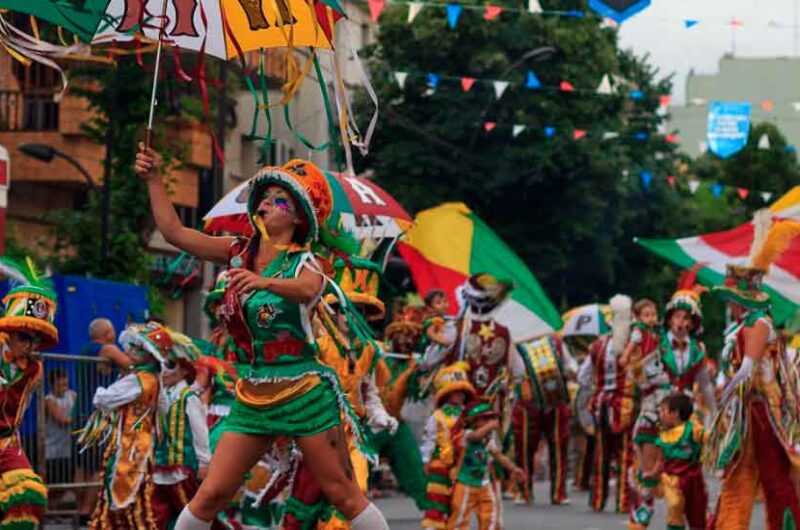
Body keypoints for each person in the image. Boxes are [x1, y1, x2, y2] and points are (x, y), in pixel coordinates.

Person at [135, 148, 389, 530]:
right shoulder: (238, 252)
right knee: (211, 495)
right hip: (253, 393)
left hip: (304, 389)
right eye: (265, 197)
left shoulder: (310, 259)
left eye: (280, 199)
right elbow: (175, 233)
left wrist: (263, 281)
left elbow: (307, 290)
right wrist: (155, 178)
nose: (268, 204)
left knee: (341, 492)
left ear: (300, 216)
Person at [705, 211, 800, 529]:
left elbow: (746, 371)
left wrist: (723, 397)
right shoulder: (744, 326)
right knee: (739, 477)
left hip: (760, 412)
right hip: (748, 411)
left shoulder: (758, 324)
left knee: (773, 476)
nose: (729, 304)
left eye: (732, 298)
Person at [303, 256, 397, 529]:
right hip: (320, 429)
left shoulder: (368, 349)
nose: (349, 318)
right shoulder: (320, 344)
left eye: (358, 313)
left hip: (353, 433)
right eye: (345, 311)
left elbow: (369, 392)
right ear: (336, 313)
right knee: (317, 498)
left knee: (358, 485)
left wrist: (380, 416)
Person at [81, 323, 175, 529]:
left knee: (121, 489)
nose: (130, 351)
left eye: (137, 348)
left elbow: (103, 399)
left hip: (128, 444)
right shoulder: (154, 379)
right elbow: (163, 409)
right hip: (144, 443)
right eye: (130, 346)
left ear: (149, 355)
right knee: (137, 491)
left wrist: (101, 390)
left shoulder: (137, 380)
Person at [0, 256, 57, 530]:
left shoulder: (33, 370)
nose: (30, 345)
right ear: (9, 333)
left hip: (7, 442)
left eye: (35, 339)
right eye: (24, 337)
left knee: (27, 493)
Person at [577, 294, 636, 513]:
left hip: (601, 403)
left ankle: (598, 499)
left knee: (602, 453)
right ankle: (623, 501)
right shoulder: (633, 347)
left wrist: (596, 387)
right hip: (625, 406)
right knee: (624, 454)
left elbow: (583, 378)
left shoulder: (597, 347)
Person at [373, 305, 430, 510]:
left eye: (410, 336)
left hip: (396, 423)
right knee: (356, 468)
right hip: (370, 422)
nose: (405, 340)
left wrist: (420, 367)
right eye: (401, 335)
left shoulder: (414, 365)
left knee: (413, 463)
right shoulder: (379, 356)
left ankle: (432, 510)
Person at [512, 334, 577, 505]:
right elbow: (515, 373)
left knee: (559, 445)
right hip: (528, 402)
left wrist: (570, 371)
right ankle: (523, 491)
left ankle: (559, 492)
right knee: (524, 447)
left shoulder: (555, 341)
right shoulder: (517, 343)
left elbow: (570, 363)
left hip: (555, 401)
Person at [446, 399, 526, 530]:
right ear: (474, 421)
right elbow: (475, 436)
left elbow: (499, 456)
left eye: (491, 418)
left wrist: (514, 469)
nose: (490, 422)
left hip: (484, 484)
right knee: (460, 516)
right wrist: (491, 425)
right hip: (465, 483)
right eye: (485, 419)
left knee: (490, 513)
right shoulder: (466, 435)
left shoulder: (488, 440)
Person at [152, 355, 211, 529]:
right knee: (159, 513)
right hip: (161, 465)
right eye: (161, 365)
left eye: (170, 365)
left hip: (183, 466)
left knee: (187, 511)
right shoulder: (162, 394)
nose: (164, 371)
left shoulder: (189, 397)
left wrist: (204, 462)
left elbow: (200, 431)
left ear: (184, 370)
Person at [420, 363, 475, 530]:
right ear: (447, 393)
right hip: (440, 464)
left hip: (462, 465)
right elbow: (429, 440)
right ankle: (434, 525)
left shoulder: (467, 416)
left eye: (463, 392)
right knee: (437, 496)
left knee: (458, 499)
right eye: (457, 392)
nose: (460, 396)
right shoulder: (436, 416)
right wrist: (426, 460)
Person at [652, 393, 707, 530]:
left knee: (697, 514)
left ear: (675, 413)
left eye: (664, 410)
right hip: (671, 480)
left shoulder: (692, 429)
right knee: (674, 507)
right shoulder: (662, 434)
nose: (660, 414)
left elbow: (709, 439)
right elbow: (659, 460)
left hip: (693, 478)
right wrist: (651, 474)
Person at [44, 369, 76, 491]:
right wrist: (81, 419)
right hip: (52, 451)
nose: (64, 388)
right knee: (54, 487)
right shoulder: (49, 400)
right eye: (60, 385)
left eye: (65, 385)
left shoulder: (72, 395)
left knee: (66, 484)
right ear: (52, 385)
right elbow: (62, 419)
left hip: (68, 450)